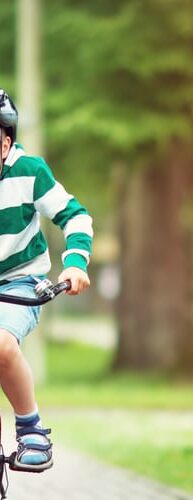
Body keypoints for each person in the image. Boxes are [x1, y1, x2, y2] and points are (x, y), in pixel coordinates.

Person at [0, 89, 93, 472]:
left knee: (1, 346)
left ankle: (30, 427)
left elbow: (75, 217)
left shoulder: (29, 172)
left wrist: (74, 264)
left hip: (19, 283)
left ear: (5, 142)